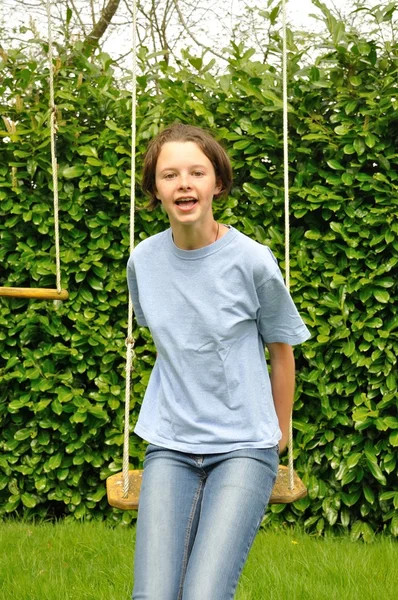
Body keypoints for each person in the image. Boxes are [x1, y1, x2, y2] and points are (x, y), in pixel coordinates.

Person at [127, 123, 311, 600]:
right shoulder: (142, 262)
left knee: (205, 593)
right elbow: (174, 342)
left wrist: (280, 433)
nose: (184, 183)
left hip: (244, 447)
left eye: (196, 172)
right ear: (155, 189)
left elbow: (282, 350)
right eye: (170, 175)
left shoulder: (251, 261)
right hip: (171, 444)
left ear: (217, 184)